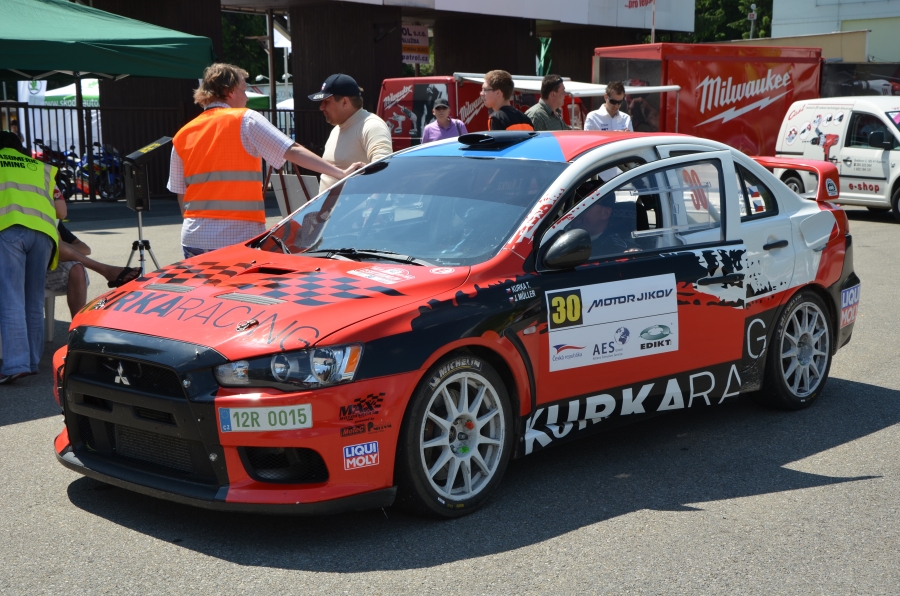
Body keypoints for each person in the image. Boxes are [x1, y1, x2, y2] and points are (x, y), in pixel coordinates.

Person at [168, 63, 362, 259]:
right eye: (244, 90)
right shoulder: (245, 119)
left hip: (193, 237)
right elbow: (292, 150)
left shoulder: (183, 134)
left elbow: (180, 193)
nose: (246, 97)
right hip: (236, 237)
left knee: (202, 281)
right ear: (229, 91)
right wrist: (341, 174)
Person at [0, 131, 66, 385]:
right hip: (44, 234)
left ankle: (15, 365)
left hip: (8, 230)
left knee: (11, 298)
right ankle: (31, 361)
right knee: (33, 299)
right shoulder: (41, 168)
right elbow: (61, 210)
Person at [310, 73, 393, 192]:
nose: (321, 107)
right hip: (332, 204)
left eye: (326, 102)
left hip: (357, 204)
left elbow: (383, 170)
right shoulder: (337, 129)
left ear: (345, 102)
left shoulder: (372, 125)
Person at [47, 221, 140, 318]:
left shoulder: (53, 219)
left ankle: (78, 323)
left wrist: (62, 245)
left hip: (49, 268)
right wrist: (57, 245)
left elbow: (86, 249)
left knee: (77, 268)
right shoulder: (39, 216)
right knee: (54, 246)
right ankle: (107, 270)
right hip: (36, 272)